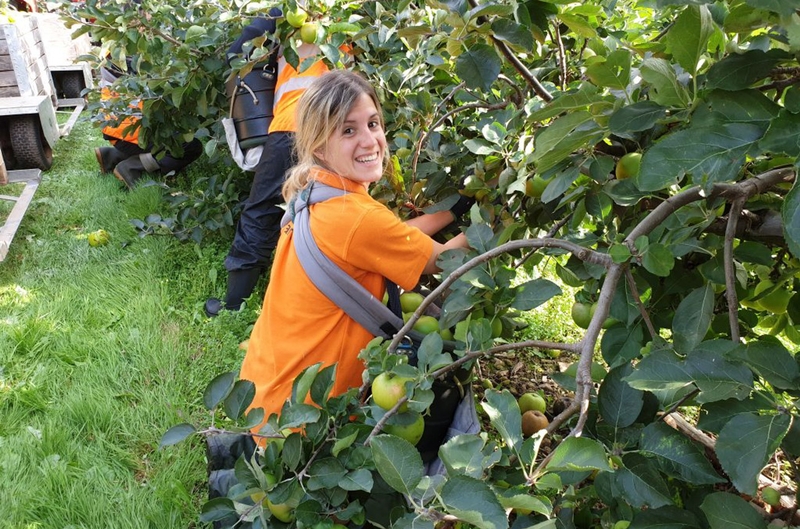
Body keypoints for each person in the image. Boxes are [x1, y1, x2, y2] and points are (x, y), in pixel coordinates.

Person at [238, 70, 471, 431]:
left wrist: (453, 211)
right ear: (319, 145)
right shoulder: (357, 218)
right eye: (348, 130)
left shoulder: (316, 192)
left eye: (373, 124)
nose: (370, 141)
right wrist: (499, 225)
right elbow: (442, 259)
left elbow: (394, 238)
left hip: (266, 396)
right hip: (304, 423)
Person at [204, 10, 339, 316]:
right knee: (329, 210)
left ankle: (233, 304)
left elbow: (237, 53)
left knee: (262, 209)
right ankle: (323, 302)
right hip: (343, 126)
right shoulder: (354, 11)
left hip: (295, 121)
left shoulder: (288, 11)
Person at [94, 66, 203, 190]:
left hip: (119, 130)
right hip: (131, 129)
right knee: (189, 146)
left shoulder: (114, 55)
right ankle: (131, 167)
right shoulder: (128, 58)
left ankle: (112, 156)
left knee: (174, 136)